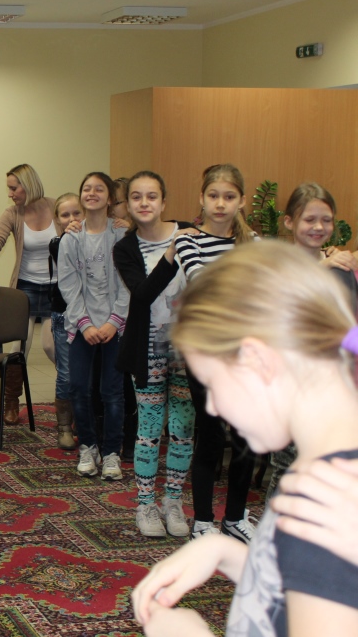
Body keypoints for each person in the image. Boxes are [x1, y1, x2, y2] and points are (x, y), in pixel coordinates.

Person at [131, 240, 358, 637]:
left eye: (211, 383)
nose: (213, 406)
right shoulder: (330, 468)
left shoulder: (326, 506)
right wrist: (227, 553)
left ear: (256, 360)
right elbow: (298, 593)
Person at [174, 163, 257, 541]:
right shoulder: (188, 241)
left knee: (245, 439)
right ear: (202, 199)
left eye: (229, 197)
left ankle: (235, 518)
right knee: (210, 437)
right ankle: (203, 522)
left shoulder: (253, 244)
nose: (220, 204)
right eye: (213, 196)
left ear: (241, 201)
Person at [113, 171, 197, 538]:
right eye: (136, 197)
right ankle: (145, 505)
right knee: (148, 430)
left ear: (163, 202)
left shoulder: (190, 233)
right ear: (128, 204)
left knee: (182, 428)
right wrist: (172, 252)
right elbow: (144, 294)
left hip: (187, 347)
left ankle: (173, 501)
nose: (144, 203)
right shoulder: (126, 248)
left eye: (152, 196)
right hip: (147, 349)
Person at [263, 184, 358, 496]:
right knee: (290, 474)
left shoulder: (341, 268)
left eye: (326, 220)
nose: (319, 227)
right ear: (290, 221)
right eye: (310, 219)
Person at [57, 171, 128, 480]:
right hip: (81, 326)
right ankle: (88, 446)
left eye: (100, 189)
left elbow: (128, 283)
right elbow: (68, 285)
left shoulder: (122, 235)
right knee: (78, 388)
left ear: (110, 197)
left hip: (115, 327)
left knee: (112, 391)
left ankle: (112, 452)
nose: (92, 193)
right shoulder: (71, 238)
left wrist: (114, 321)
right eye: (87, 188)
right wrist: (84, 324)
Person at [0, 164, 57, 425]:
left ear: (28, 185)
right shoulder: (12, 214)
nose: (10, 193)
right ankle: (12, 402)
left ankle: (69, 397)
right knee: (18, 348)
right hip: (25, 287)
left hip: (56, 289)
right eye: (9, 188)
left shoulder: (56, 207)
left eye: (14, 188)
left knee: (51, 346)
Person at [48, 192, 82, 449]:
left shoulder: (100, 238)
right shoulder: (57, 243)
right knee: (67, 374)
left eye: (77, 213)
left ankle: (84, 420)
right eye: (65, 215)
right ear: (57, 220)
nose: (71, 219)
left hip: (94, 315)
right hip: (64, 314)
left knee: (88, 375)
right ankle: (64, 426)